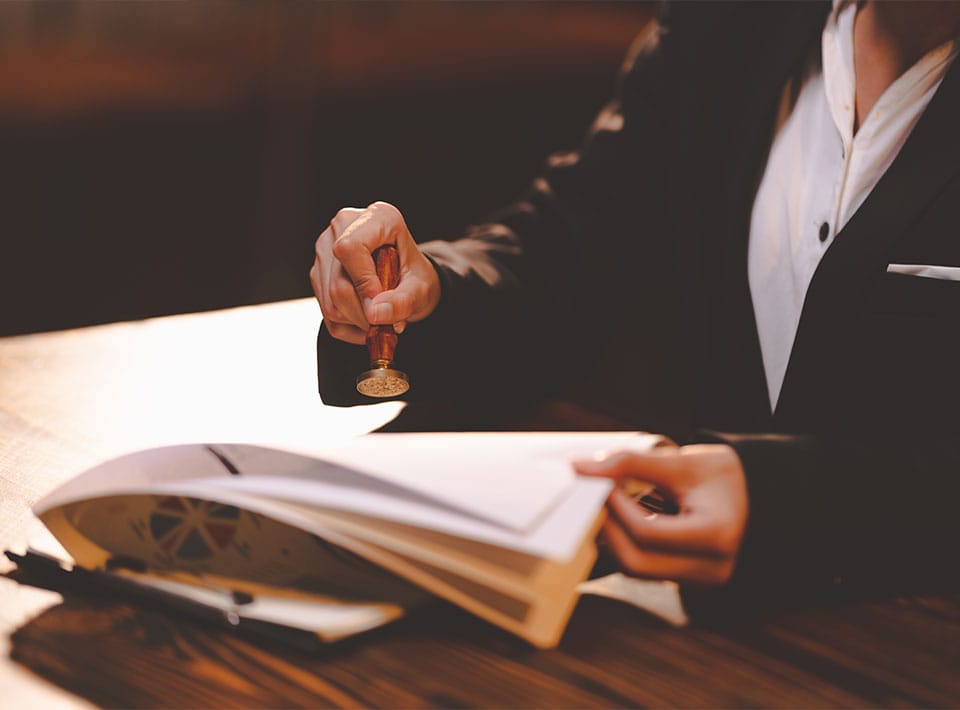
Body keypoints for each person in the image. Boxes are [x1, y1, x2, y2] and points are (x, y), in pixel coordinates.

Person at [310, 1, 960, 617]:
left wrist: (787, 503)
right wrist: (426, 291)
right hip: (714, 644)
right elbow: (567, 252)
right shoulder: (731, 21)